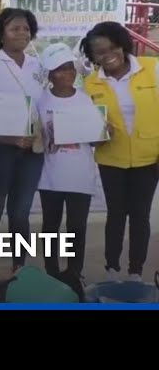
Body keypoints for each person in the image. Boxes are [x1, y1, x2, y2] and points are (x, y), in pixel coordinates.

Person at [80, 21, 159, 282]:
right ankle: (111, 268)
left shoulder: (152, 69)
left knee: (140, 216)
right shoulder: (90, 85)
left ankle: (135, 271)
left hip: (150, 158)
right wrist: (97, 134)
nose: (107, 55)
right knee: (115, 214)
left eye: (112, 47)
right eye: (99, 52)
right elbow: (86, 129)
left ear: (123, 46)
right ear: (92, 56)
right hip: (111, 159)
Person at [0, 7, 46, 278]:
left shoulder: (38, 65)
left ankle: (20, 265)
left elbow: (44, 104)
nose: (22, 33)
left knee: (21, 211)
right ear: (1, 34)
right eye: (15, 28)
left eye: (26, 29)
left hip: (32, 148)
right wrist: (6, 137)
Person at [36, 43, 99, 279]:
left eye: (70, 67)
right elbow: (35, 138)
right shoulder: (41, 101)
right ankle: (51, 273)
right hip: (49, 176)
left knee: (77, 227)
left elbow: (95, 141)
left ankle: (74, 273)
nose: (68, 73)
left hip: (80, 176)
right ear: (50, 74)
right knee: (50, 227)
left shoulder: (86, 99)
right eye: (60, 69)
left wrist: (104, 132)